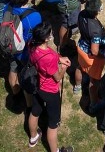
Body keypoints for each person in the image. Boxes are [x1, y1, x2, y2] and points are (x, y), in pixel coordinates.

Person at [26, 21, 74, 152]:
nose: (52, 34)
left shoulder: (32, 44)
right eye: (50, 33)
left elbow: (51, 56)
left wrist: (59, 58)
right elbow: (57, 77)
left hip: (37, 85)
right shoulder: (48, 57)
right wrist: (63, 68)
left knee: (35, 111)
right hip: (50, 91)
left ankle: (33, 137)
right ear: (46, 38)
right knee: (53, 124)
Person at [6, 0, 41, 104]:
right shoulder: (34, 16)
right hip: (25, 52)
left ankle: (15, 94)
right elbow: (37, 36)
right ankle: (29, 104)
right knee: (27, 76)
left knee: (13, 68)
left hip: (10, 47)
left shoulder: (8, 7)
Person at [76, 0, 105, 109]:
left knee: (80, 67)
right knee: (94, 81)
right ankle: (94, 103)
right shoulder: (95, 29)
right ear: (95, 11)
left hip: (81, 47)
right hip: (90, 55)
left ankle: (77, 86)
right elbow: (95, 51)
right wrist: (102, 56)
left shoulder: (81, 14)